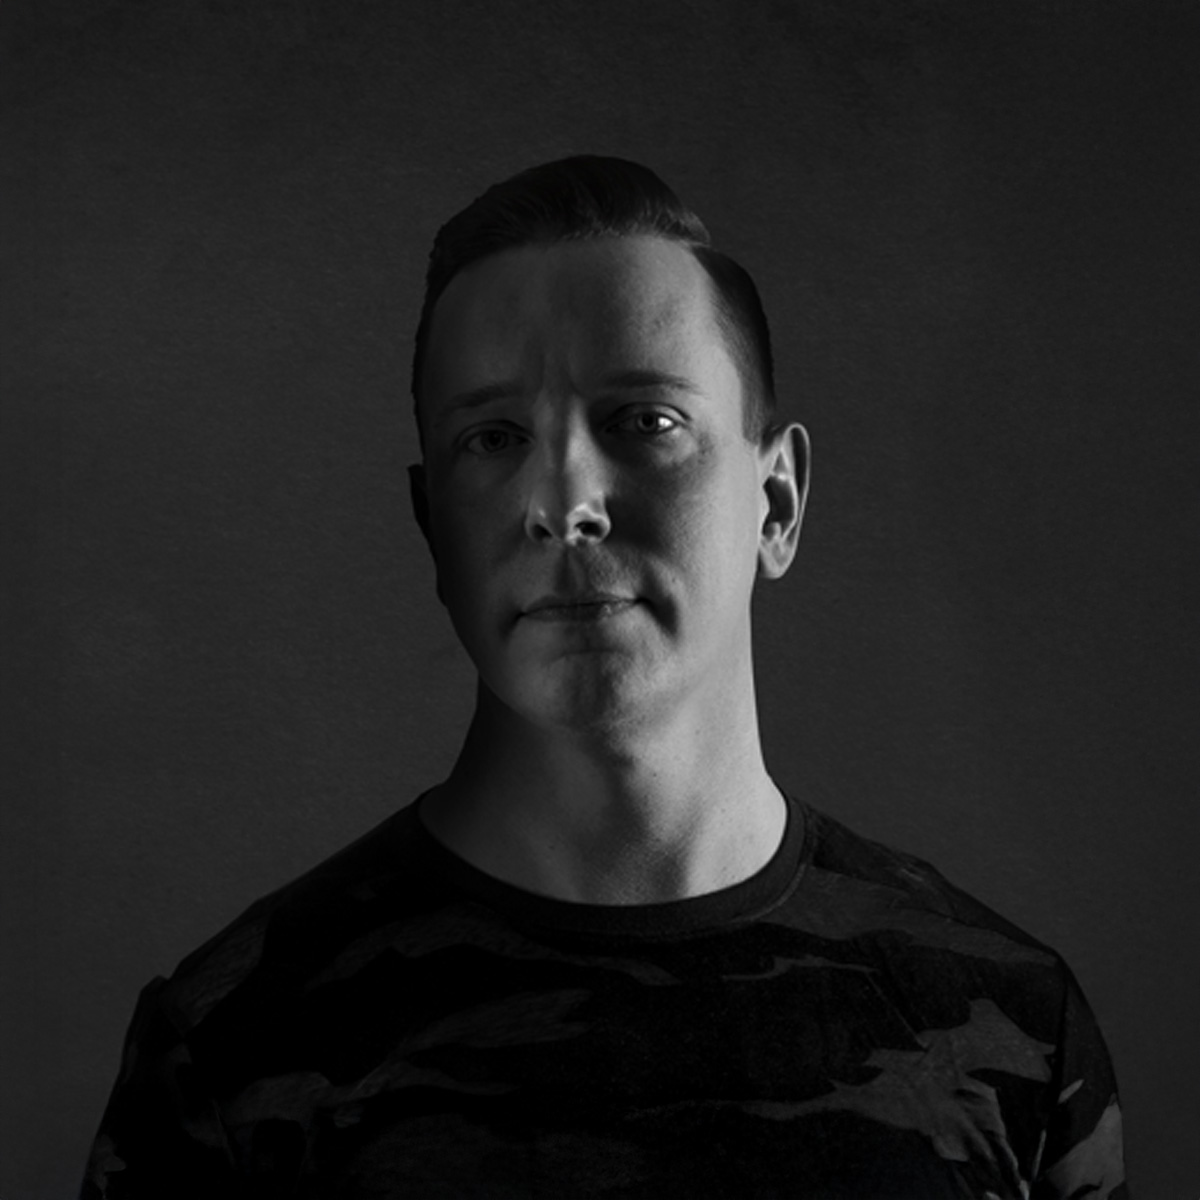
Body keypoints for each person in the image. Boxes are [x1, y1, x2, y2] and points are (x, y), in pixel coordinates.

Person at [82, 155, 1128, 1198]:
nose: (564, 502)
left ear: (777, 503)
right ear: (433, 528)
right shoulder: (230, 1052)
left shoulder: (1014, 1031)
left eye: (645, 421)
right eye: (493, 438)